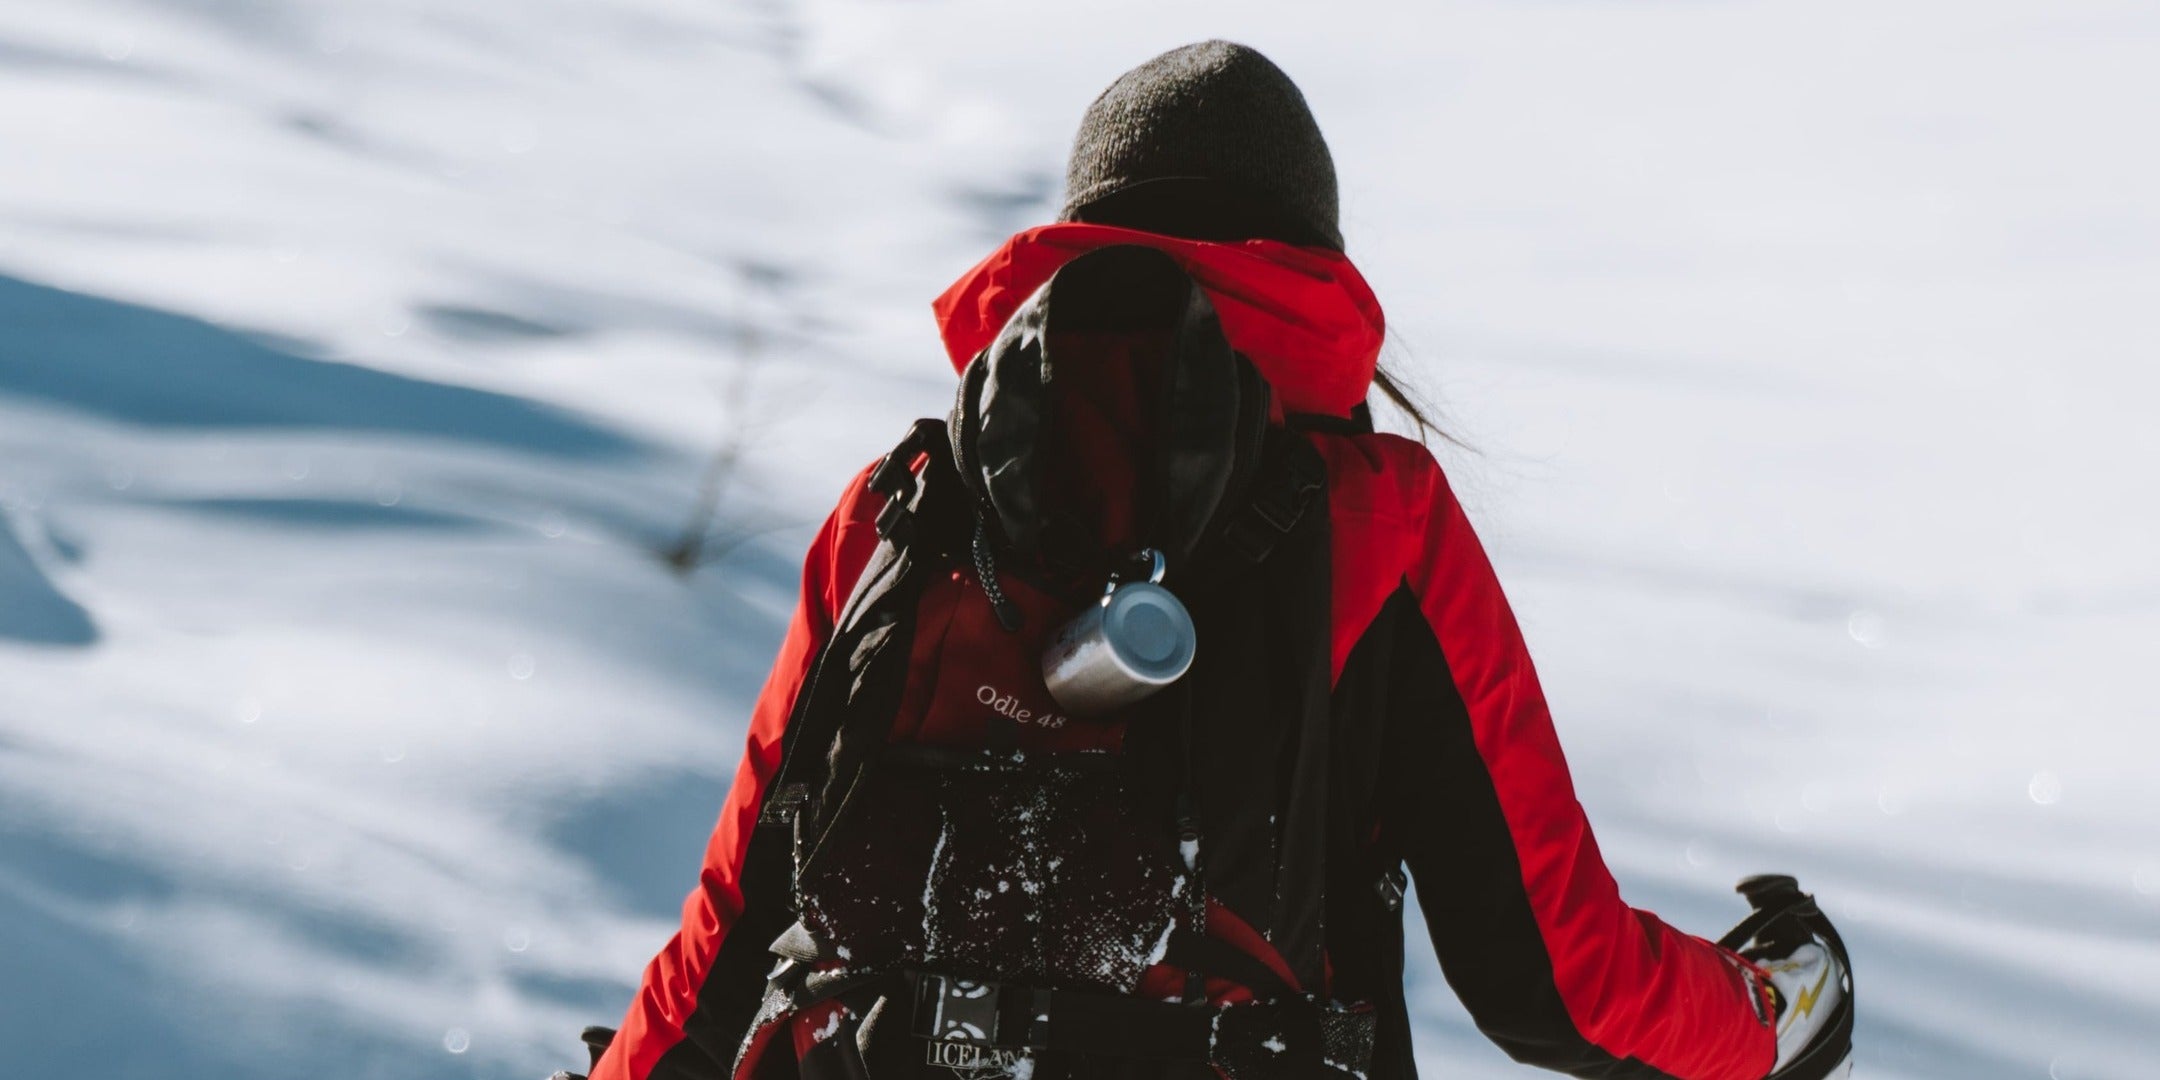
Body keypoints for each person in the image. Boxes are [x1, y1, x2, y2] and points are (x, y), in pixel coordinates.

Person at [581, 40, 1851, 1080]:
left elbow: (727, 939)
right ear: (1309, 257)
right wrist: (1774, 1007)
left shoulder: (902, 507)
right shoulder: (1379, 522)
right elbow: (1558, 984)